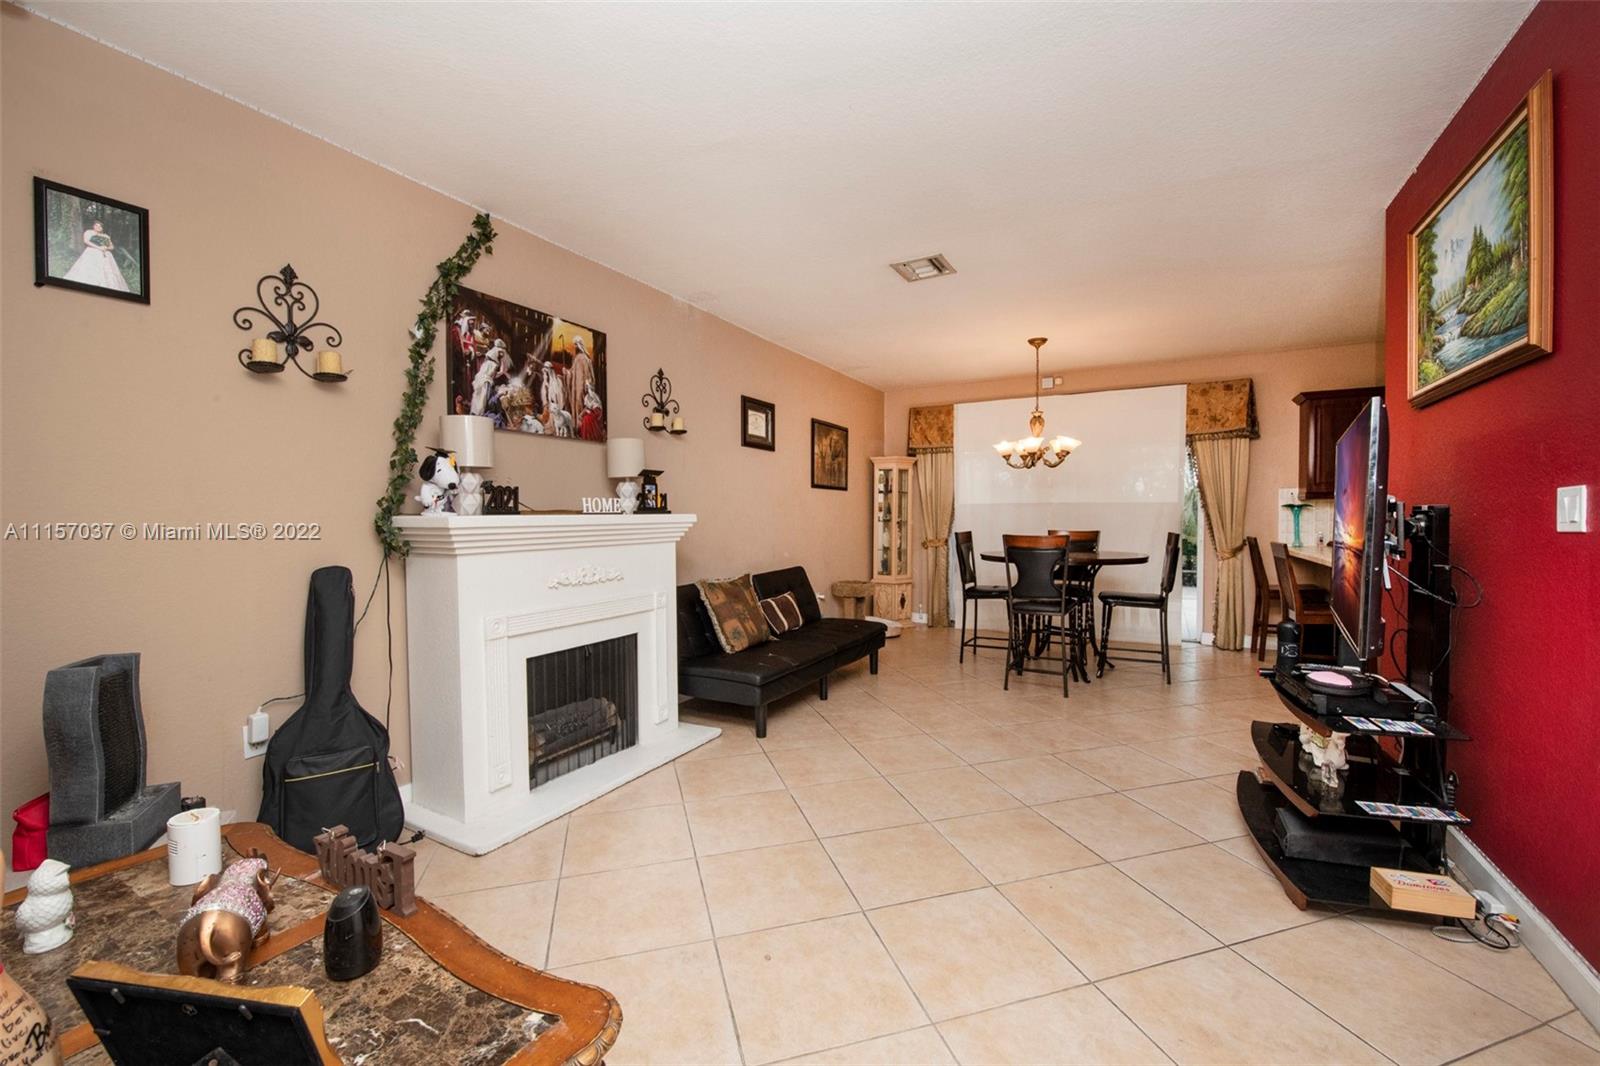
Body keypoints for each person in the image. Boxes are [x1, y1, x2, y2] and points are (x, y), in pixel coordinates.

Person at [62, 220, 131, 291]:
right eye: (96, 226)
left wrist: (106, 248)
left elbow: (112, 247)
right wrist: (99, 248)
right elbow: (86, 241)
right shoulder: (89, 232)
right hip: (92, 252)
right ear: (94, 226)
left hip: (105, 254)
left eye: (100, 226)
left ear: (102, 228)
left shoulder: (106, 236)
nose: (98, 227)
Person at [567, 335, 595, 424]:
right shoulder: (576, 358)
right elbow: (572, 371)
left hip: (581, 386)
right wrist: (567, 373)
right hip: (575, 386)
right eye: (574, 345)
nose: (574, 347)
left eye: (576, 344)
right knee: (575, 403)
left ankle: (581, 425)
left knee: (580, 402)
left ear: (579, 345)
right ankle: (576, 424)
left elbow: (588, 374)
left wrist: (587, 384)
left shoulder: (585, 358)